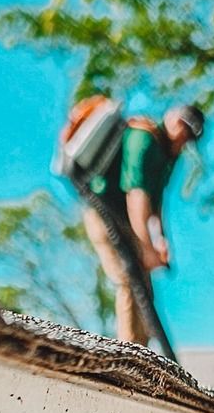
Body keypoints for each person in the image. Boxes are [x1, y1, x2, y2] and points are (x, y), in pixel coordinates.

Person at [81, 102, 204, 346]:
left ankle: (142, 354)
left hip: (128, 223)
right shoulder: (143, 138)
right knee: (129, 279)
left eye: (189, 135)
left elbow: (156, 203)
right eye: (183, 127)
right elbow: (137, 196)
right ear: (172, 118)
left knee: (145, 292)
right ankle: (128, 354)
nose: (183, 137)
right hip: (104, 215)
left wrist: (160, 240)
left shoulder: (167, 155)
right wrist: (146, 248)